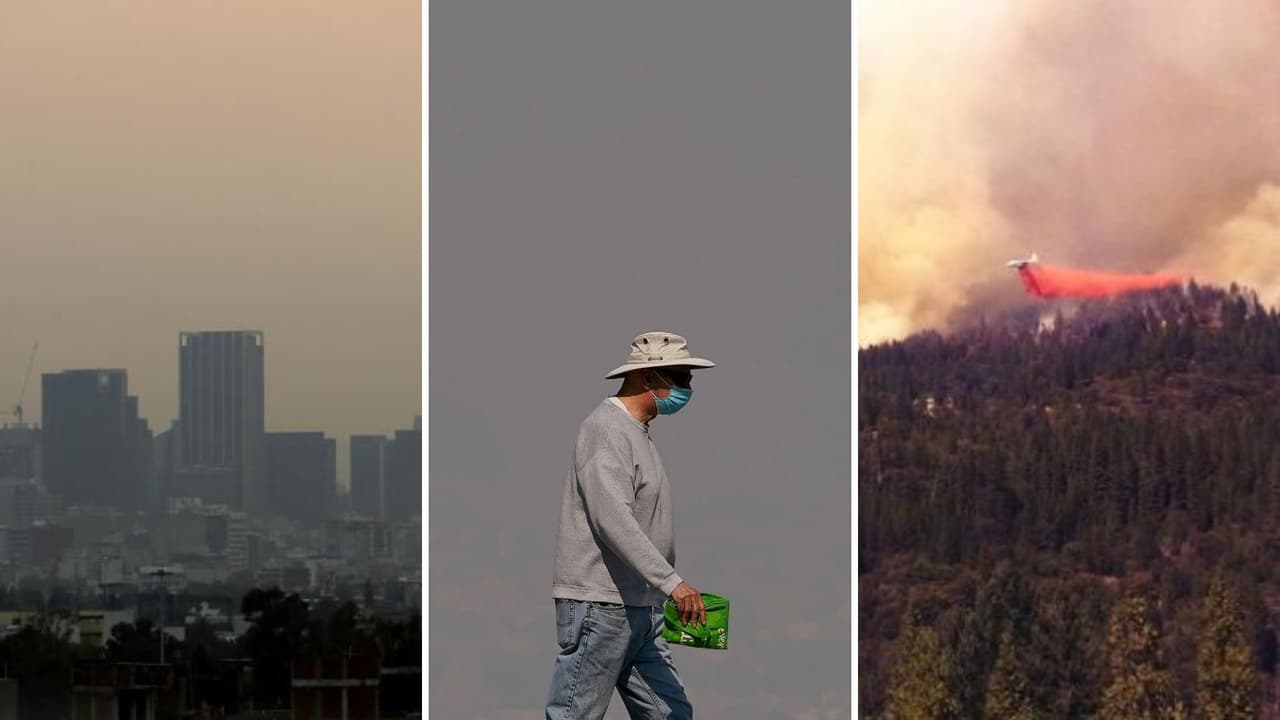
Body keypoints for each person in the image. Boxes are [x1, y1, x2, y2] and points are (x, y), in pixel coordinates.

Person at [546, 331, 715, 720]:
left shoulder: (637, 435)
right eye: (680, 377)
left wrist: (662, 590)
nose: (688, 387)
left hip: (642, 606)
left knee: (671, 714)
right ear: (648, 378)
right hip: (601, 604)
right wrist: (673, 583)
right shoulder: (606, 430)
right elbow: (613, 520)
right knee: (575, 714)